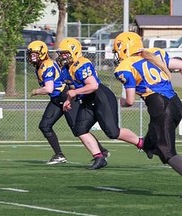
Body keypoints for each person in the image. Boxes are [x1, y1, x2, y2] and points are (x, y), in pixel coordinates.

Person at [56, 37, 144, 169]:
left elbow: (93, 85)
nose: (62, 56)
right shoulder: (65, 70)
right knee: (79, 129)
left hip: (100, 97)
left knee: (112, 132)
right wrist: (68, 100)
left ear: (74, 52)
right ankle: (99, 157)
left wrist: (73, 94)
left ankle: (142, 143)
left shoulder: (82, 64)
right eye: (61, 53)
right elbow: (72, 89)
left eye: (65, 53)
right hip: (87, 99)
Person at [26, 40, 109, 167]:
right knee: (45, 125)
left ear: (42, 53)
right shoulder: (40, 66)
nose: (32, 57)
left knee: (79, 128)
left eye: (34, 54)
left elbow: (49, 88)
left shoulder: (46, 65)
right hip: (56, 99)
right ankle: (59, 155)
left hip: (65, 96)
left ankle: (101, 152)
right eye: (31, 54)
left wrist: (36, 91)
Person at [112, 31, 182, 175]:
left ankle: (152, 147)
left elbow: (130, 101)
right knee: (152, 137)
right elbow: (180, 65)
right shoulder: (154, 54)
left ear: (124, 49)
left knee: (167, 153)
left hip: (161, 107)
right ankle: (149, 146)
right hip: (175, 103)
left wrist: (122, 101)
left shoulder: (125, 65)